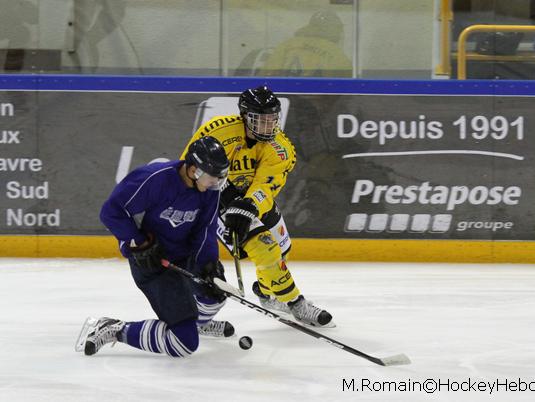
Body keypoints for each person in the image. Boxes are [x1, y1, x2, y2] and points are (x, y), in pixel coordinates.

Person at [180, 86, 333, 327]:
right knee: (265, 249)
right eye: (259, 120)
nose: (267, 126)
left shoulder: (282, 148)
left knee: (283, 250)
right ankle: (296, 303)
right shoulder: (218, 132)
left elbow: (265, 184)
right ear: (244, 116)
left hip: (252, 200)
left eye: (272, 120)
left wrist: (249, 205)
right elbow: (191, 166)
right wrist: (226, 197)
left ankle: (265, 292)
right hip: (216, 198)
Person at [80, 137, 232, 357]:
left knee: (214, 294)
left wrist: (208, 265)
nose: (216, 183)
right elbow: (111, 211)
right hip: (152, 262)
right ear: (192, 170)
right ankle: (114, 329)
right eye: (212, 177)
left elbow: (206, 228)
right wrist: (138, 241)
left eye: (220, 178)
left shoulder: (209, 189)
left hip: (185, 254)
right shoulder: (156, 179)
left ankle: (197, 323)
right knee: (184, 344)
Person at [256, 10, 352, 78]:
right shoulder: (337, 55)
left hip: (284, 98)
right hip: (315, 103)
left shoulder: (287, 44)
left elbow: (266, 75)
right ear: (336, 30)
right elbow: (343, 90)